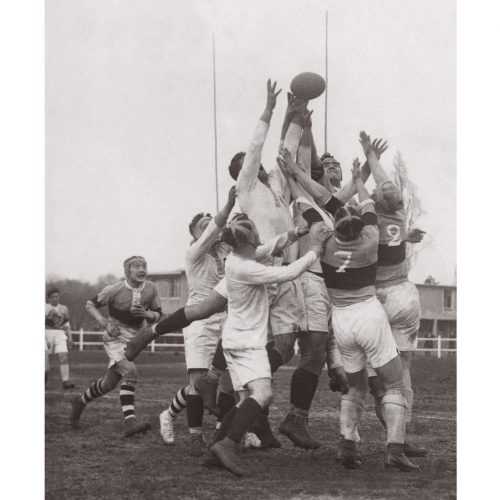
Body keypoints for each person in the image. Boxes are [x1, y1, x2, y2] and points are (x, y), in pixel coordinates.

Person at [279, 147, 419, 471]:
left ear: (334, 225)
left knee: (353, 386)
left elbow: (312, 205)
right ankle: (395, 450)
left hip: (341, 323)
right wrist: (359, 178)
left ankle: (346, 446)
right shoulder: (371, 236)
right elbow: (365, 202)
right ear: (359, 223)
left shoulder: (324, 240)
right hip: (369, 315)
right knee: (394, 385)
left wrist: (294, 177)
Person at [208, 213, 331, 476]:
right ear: (249, 239)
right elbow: (288, 272)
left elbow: (272, 246)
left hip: (236, 339)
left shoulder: (239, 257)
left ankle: (216, 446)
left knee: (244, 399)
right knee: (262, 395)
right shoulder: (247, 267)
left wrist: (297, 233)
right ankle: (228, 444)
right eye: (254, 229)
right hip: (246, 343)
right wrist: (316, 249)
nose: (258, 231)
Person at [358, 131, 427, 457]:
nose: (390, 185)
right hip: (398, 292)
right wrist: (371, 156)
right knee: (403, 367)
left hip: (378, 295)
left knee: (385, 369)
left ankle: (394, 426)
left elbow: (379, 186)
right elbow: (385, 184)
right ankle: (399, 430)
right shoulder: (398, 212)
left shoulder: (373, 216)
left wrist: (368, 161)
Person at [161, 187, 236, 456]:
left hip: (227, 318)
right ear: (194, 234)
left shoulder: (228, 252)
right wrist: (227, 206)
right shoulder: (194, 253)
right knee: (198, 381)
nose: (210, 230)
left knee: (227, 380)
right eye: (203, 227)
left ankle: (222, 432)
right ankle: (195, 436)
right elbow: (216, 227)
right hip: (199, 321)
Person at [69, 256, 161, 437]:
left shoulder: (152, 288)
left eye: (144, 265)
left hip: (134, 341)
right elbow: (90, 304)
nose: (141, 269)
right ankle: (130, 421)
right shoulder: (114, 289)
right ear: (127, 271)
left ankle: (80, 401)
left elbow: (158, 314)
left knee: (108, 384)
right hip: (114, 338)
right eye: (136, 266)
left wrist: (147, 314)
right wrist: (104, 322)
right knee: (131, 372)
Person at [45, 287, 74, 389]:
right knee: (45, 363)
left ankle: (66, 382)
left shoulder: (64, 308)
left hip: (60, 333)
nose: (55, 298)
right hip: (46, 333)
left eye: (56, 296)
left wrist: (70, 336)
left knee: (63, 356)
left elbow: (66, 323)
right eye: (52, 297)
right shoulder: (44, 308)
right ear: (48, 298)